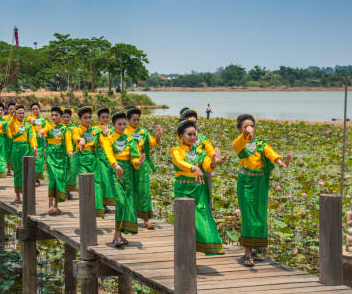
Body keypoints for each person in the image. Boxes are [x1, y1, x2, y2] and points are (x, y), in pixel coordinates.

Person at [233, 114, 291, 267]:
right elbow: (237, 145)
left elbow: (271, 154)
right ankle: (246, 253)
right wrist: (245, 135)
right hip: (246, 182)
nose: (250, 128)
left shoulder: (261, 144)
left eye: (252, 125)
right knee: (248, 217)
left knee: (260, 215)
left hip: (260, 182)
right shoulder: (240, 144)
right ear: (240, 129)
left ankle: (255, 251)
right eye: (246, 126)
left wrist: (281, 162)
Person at [171, 119, 228, 255]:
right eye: (189, 134)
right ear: (180, 136)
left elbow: (207, 165)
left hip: (198, 189)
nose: (192, 137)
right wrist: (193, 168)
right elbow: (179, 163)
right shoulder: (176, 151)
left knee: (202, 218)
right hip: (183, 189)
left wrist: (215, 162)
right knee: (186, 221)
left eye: (194, 134)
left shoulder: (200, 153)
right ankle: (185, 254)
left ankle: (200, 248)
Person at [102, 111, 144, 247]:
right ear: (113, 125)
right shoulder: (108, 139)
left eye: (124, 124)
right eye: (119, 124)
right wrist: (116, 165)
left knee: (126, 203)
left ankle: (119, 234)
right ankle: (116, 234)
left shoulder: (130, 139)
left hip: (128, 174)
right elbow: (109, 153)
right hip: (115, 172)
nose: (122, 126)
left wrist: (138, 162)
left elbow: (134, 156)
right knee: (120, 202)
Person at [125, 107, 163, 229]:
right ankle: (130, 218)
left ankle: (146, 220)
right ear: (128, 119)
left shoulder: (143, 132)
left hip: (142, 167)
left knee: (144, 191)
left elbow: (153, 143)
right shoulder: (124, 132)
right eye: (134, 120)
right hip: (129, 165)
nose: (136, 122)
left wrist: (157, 137)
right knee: (130, 190)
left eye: (138, 120)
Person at [71, 106, 104, 217]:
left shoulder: (96, 131)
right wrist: (80, 139)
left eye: (90, 117)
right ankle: (85, 210)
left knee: (96, 185)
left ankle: (96, 209)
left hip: (94, 160)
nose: (88, 120)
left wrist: (107, 135)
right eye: (85, 117)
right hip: (82, 159)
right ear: (80, 118)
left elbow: (104, 144)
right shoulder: (77, 130)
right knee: (84, 185)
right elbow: (75, 136)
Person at [7, 105, 38, 203]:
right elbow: (10, 125)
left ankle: (27, 194)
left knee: (27, 171)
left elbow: (32, 137)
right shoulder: (13, 124)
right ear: (16, 114)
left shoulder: (28, 125)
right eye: (19, 113)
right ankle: (17, 195)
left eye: (22, 113)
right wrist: (13, 117)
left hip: (26, 149)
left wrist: (34, 147)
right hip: (16, 149)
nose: (21, 115)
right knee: (17, 172)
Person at [41, 106, 68, 214]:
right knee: (52, 179)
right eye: (52, 115)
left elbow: (68, 142)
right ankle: (50, 205)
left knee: (59, 179)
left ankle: (56, 205)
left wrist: (70, 151)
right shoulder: (48, 126)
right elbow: (45, 130)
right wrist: (42, 131)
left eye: (56, 115)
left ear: (61, 117)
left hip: (61, 157)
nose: (53, 117)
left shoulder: (65, 129)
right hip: (51, 156)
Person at [94, 107, 116, 212]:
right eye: (103, 117)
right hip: (101, 156)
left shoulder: (112, 129)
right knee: (103, 180)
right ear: (99, 118)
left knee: (111, 180)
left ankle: (107, 204)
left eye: (107, 117)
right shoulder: (95, 129)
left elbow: (115, 143)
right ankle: (101, 204)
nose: (105, 119)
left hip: (110, 157)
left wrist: (109, 134)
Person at [27, 102, 47, 185]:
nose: (35, 110)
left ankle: (36, 178)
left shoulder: (43, 119)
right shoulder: (29, 118)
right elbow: (27, 125)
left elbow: (47, 127)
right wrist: (30, 121)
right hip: (33, 141)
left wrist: (44, 131)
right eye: (33, 109)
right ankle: (34, 179)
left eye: (36, 109)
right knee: (34, 160)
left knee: (40, 160)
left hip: (41, 141)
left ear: (39, 109)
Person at [62, 107, 77, 199]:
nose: (65, 118)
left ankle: (68, 190)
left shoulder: (74, 128)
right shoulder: (59, 127)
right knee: (63, 171)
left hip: (72, 153)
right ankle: (64, 191)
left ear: (70, 117)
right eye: (64, 117)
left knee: (72, 171)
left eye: (67, 117)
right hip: (62, 152)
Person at [4, 102, 16, 175]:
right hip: (7, 139)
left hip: (15, 138)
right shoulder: (5, 118)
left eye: (13, 109)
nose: (12, 110)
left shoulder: (17, 118)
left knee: (14, 154)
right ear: (7, 110)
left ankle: (14, 169)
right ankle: (8, 169)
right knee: (8, 154)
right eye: (10, 109)